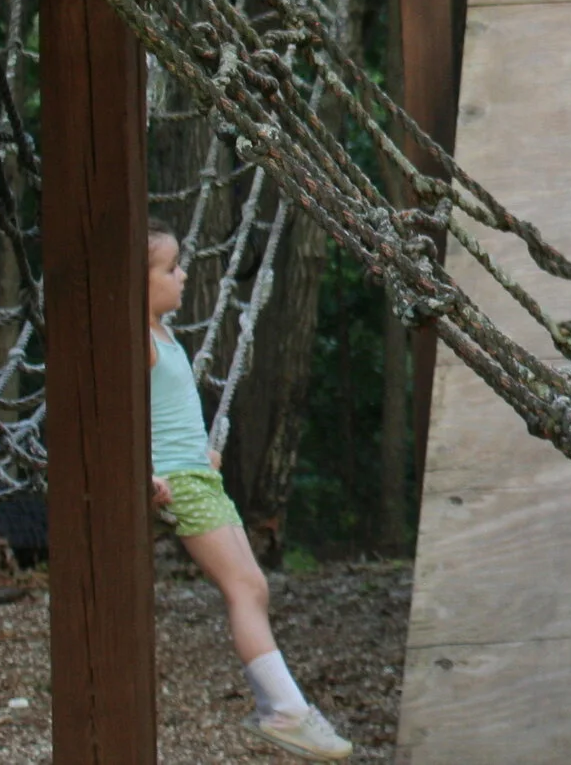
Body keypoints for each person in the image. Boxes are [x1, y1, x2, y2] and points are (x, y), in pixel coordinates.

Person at [146, 223, 353, 760]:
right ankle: (286, 711)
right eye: (169, 269)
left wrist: (198, 452)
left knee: (254, 586)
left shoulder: (162, 334)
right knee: (243, 587)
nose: (182, 274)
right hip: (180, 484)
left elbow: (162, 412)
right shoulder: (138, 341)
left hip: (198, 475)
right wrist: (145, 472)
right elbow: (117, 416)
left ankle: (279, 707)